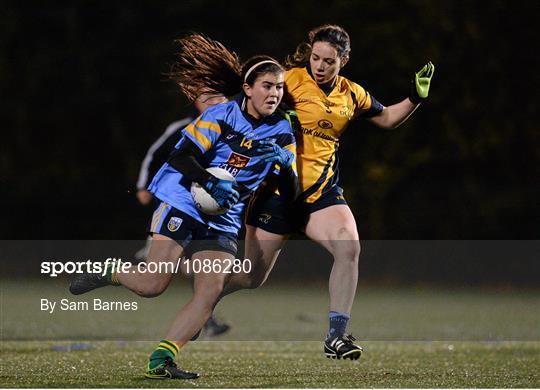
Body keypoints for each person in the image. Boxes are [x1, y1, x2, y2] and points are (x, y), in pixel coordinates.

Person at [70, 34, 297, 379]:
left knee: (210, 290)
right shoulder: (222, 114)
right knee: (153, 285)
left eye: (279, 88)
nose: (274, 94)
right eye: (267, 86)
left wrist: (285, 165)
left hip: (224, 215)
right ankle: (111, 271)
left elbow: (290, 190)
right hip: (184, 199)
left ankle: (161, 360)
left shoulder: (282, 130)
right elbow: (182, 157)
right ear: (248, 88)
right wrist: (210, 181)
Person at [225, 24, 435, 360]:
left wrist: (415, 98)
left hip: (321, 196)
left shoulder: (351, 94)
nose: (320, 66)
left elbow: (388, 119)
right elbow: (245, 108)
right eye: (316, 58)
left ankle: (336, 336)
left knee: (348, 248)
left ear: (344, 61)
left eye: (329, 61)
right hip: (276, 194)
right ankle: (204, 302)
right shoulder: (289, 80)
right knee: (250, 278)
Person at [134, 93, 233, 337]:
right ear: (196, 102)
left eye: (219, 98)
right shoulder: (182, 128)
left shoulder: (232, 129)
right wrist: (143, 185)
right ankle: (119, 270)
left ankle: (204, 319)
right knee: (153, 277)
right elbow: (154, 154)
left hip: (210, 214)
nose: (214, 103)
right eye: (208, 98)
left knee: (205, 269)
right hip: (177, 206)